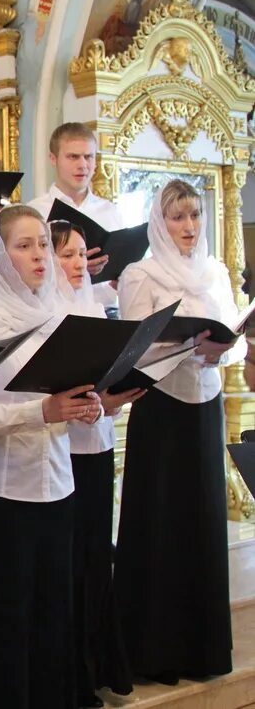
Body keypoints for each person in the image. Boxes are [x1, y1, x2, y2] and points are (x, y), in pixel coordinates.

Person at [0, 205, 102, 709]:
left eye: (42, 243)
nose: (39, 254)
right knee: (1, 626)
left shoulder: (61, 315)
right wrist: (44, 410)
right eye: (24, 245)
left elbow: (67, 400)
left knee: (49, 620)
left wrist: (89, 405)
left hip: (58, 487)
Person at [114, 180, 243, 684]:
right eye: (177, 218)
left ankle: (202, 649)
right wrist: (183, 346)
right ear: (159, 222)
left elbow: (233, 338)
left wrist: (220, 350)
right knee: (160, 517)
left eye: (194, 217)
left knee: (203, 518)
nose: (188, 228)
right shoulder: (139, 273)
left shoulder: (215, 271)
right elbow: (133, 346)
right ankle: (155, 653)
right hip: (161, 406)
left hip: (205, 404)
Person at [51, 220, 140, 707]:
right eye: (66, 255)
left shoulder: (96, 307)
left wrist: (115, 398)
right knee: (70, 563)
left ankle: (99, 660)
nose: (76, 264)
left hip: (97, 444)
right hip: (60, 453)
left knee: (94, 557)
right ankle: (71, 669)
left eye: (82, 255)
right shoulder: (46, 313)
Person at [28, 123, 126, 308]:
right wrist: (75, 266)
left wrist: (117, 283)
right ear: (53, 158)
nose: (82, 165)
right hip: (50, 317)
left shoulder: (111, 212)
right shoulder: (34, 213)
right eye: (73, 157)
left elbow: (118, 279)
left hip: (105, 313)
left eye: (89, 157)